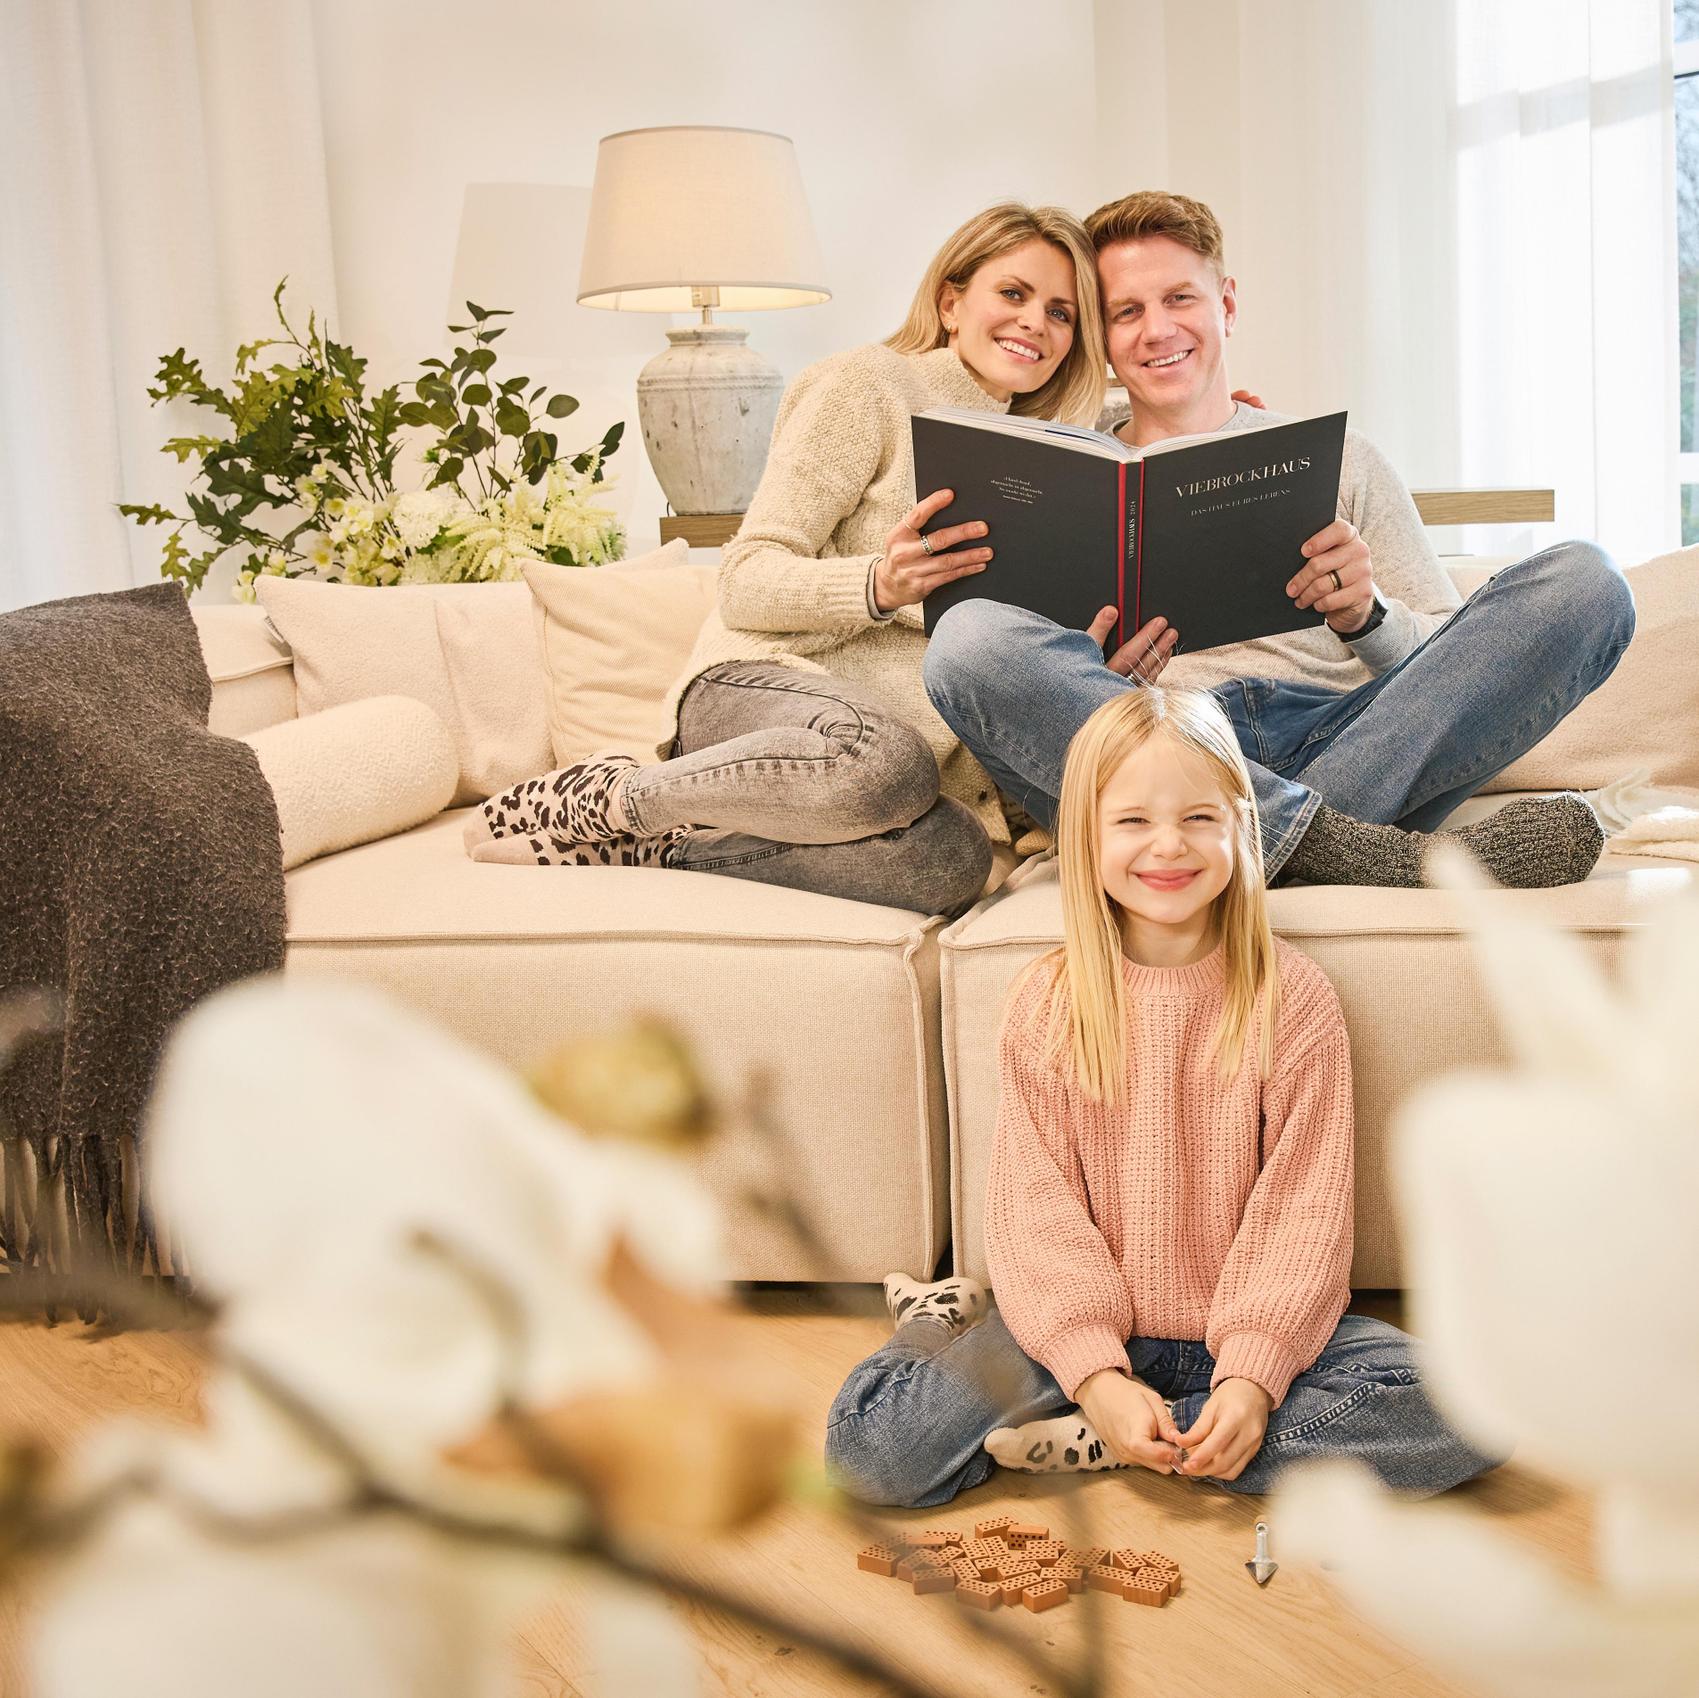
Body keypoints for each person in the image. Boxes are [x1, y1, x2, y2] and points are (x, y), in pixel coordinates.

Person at [824, 687, 1506, 1505]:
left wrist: (1250, 1382)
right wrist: (1096, 1375)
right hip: (1074, 1328)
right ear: (1085, 837)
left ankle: (1133, 1440)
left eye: (1197, 818)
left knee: (1474, 1412)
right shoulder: (1047, 1003)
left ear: (1238, 829)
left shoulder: (1293, 1000)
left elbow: (1303, 1212)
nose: (1167, 847)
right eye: (1132, 821)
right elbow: (1034, 1206)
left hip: (1247, 1331)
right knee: (874, 1452)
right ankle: (939, 1325)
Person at [921, 190, 1638, 890]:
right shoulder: (1064, 473)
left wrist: (1367, 617)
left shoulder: (1343, 459)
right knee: (966, 637)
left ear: (1224, 305)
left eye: (1179, 299)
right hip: (1154, 764)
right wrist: (1099, 685)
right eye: (1124, 312)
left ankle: (1271, 844)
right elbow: (1023, 682)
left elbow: (1455, 661)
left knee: (1586, 582)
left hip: (1348, 743)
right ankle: (1355, 853)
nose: (1155, 330)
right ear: (1102, 337)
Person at [462, 201, 1107, 917]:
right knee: (884, 762)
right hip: (767, 690)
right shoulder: (870, 385)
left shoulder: (1055, 456)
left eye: (1061, 313)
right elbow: (745, 579)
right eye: (1013, 294)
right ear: (951, 302)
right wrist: (878, 583)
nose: (1034, 324)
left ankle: (662, 844)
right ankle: (613, 797)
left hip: (879, 777)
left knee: (955, 861)